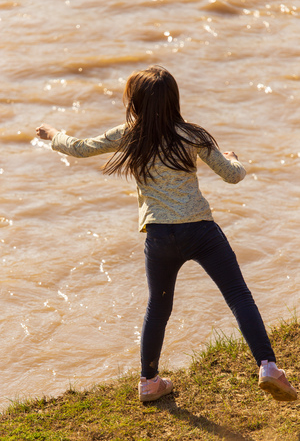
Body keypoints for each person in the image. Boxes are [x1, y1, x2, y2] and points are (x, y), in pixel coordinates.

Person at [36, 65, 297, 403]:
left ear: (136, 103)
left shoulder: (131, 135)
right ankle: (268, 367)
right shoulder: (192, 134)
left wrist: (54, 134)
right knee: (238, 296)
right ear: (174, 100)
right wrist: (235, 159)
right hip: (201, 231)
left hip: (159, 237)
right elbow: (232, 176)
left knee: (157, 309)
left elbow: (81, 148)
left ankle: (148, 382)